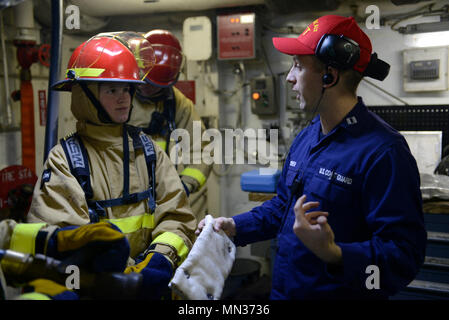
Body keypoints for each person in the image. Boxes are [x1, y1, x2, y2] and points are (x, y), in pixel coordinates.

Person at [197, 15, 427, 299]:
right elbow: (284, 206)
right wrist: (235, 226)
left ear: (330, 75)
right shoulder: (308, 137)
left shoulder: (383, 152)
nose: (290, 77)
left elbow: (403, 258)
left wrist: (335, 254)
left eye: (297, 65)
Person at [25, 35, 197, 299]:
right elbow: (67, 241)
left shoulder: (148, 150)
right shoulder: (65, 160)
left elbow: (176, 216)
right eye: (111, 90)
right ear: (85, 95)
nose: (124, 98)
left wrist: (159, 262)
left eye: (128, 89)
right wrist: (123, 277)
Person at [128, 29, 212, 222]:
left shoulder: (176, 102)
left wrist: (184, 186)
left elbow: (203, 151)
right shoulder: (119, 96)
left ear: (167, 83)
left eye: (152, 83)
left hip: (159, 195)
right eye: (142, 77)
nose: (143, 86)